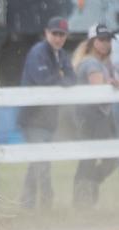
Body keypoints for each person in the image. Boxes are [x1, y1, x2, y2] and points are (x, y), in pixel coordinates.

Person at [17, 16, 77, 210]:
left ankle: (30, 203)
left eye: (62, 35)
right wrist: (60, 77)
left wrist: (60, 78)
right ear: (47, 33)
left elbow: (72, 78)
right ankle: (43, 202)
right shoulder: (38, 52)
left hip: (48, 118)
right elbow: (43, 80)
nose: (59, 38)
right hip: (33, 117)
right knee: (40, 162)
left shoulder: (61, 54)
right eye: (55, 34)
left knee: (40, 162)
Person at [71, 24, 119, 207]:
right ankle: (83, 199)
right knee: (91, 158)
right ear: (92, 42)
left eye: (108, 40)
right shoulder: (90, 63)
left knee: (100, 157)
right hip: (90, 118)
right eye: (101, 40)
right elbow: (98, 87)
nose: (106, 44)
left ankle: (87, 192)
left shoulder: (104, 64)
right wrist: (111, 83)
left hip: (99, 118)